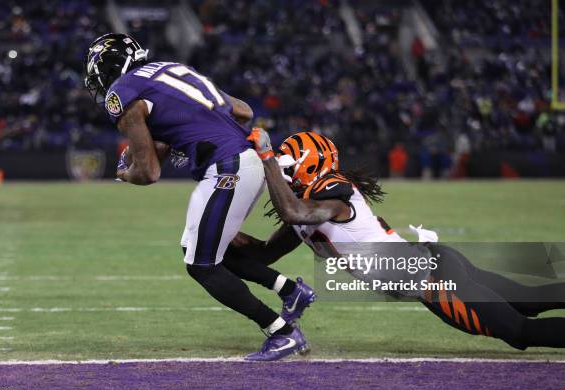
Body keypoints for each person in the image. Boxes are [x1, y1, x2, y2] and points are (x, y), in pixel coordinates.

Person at [84, 33, 315, 361]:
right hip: (248, 162)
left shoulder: (124, 92)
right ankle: (291, 291)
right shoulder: (171, 70)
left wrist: (123, 172)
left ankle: (281, 331)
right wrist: (183, 136)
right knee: (198, 248)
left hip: (227, 168)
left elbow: (148, 172)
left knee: (201, 265)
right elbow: (244, 111)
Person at [239, 129, 565, 351]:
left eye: (286, 167)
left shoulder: (330, 190)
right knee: (527, 298)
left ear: (311, 165)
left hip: (435, 281)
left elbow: (294, 212)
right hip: (433, 266)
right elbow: (265, 255)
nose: (279, 174)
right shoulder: (306, 210)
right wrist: (216, 240)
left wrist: (266, 154)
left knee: (519, 332)